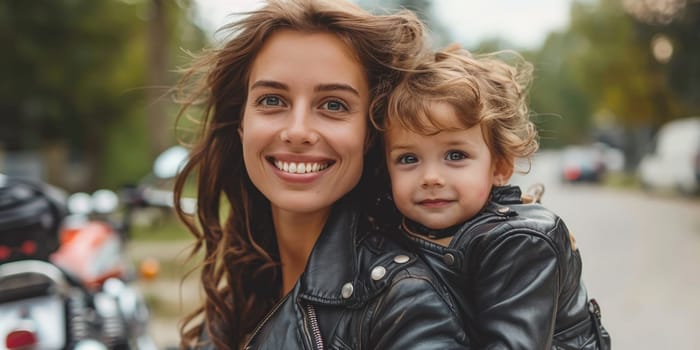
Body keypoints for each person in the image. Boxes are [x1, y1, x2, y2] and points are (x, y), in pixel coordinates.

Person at [170, 1, 469, 349]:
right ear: (241, 124)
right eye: (271, 100)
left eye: (333, 105)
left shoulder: (405, 303)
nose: (298, 132)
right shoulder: (238, 298)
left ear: (371, 133)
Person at [379, 45, 612, 349]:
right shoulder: (398, 229)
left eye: (455, 155)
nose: (430, 177)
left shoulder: (521, 243)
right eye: (409, 159)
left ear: (499, 167)